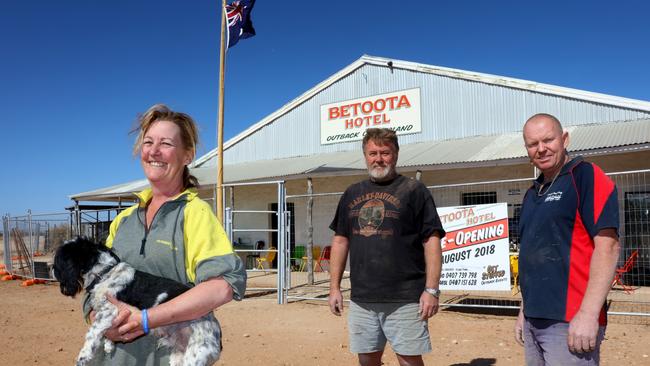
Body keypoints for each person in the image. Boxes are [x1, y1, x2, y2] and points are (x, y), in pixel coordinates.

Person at [82, 104, 246, 365]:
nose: (154, 151)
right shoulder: (123, 221)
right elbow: (96, 285)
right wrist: (97, 318)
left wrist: (146, 319)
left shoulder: (195, 214)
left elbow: (222, 286)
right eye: (148, 142)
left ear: (187, 156)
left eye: (166, 143)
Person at [328, 128, 445, 366]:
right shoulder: (352, 193)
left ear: (396, 155)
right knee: (367, 359)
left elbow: (431, 240)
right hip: (363, 298)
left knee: (409, 359)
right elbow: (341, 240)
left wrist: (431, 290)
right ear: (365, 156)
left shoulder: (414, 190)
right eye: (372, 153)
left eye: (385, 152)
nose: (378, 159)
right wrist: (334, 288)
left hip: (406, 297)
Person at [515, 113, 620, 365]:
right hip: (534, 319)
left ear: (564, 139)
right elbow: (533, 257)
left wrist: (588, 313)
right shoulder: (531, 194)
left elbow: (609, 247)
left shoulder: (585, 176)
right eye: (532, 144)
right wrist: (523, 311)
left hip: (571, 320)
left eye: (548, 140)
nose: (541, 149)